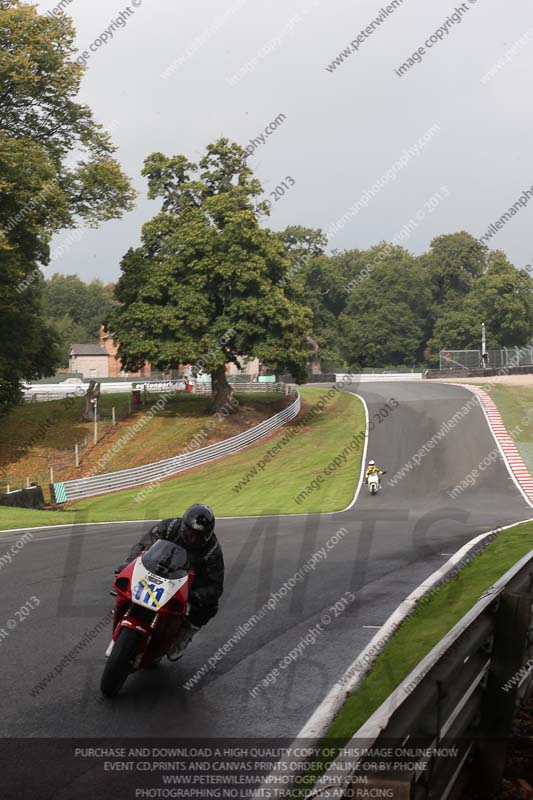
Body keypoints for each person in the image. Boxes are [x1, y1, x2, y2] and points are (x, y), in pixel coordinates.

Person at [115, 504, 224, 660]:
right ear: (183, 526)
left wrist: (196, 595)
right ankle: (123, 606)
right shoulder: (170, 526)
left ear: (208, 535)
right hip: (157, 569)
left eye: (198, 536)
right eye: (190, 532)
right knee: (124, 577)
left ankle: (185, 634)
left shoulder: (212, 550)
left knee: (210, 605)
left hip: (188, 582)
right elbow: (143, 545)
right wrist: (128, 563)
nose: (192, 538)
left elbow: (215, 586)